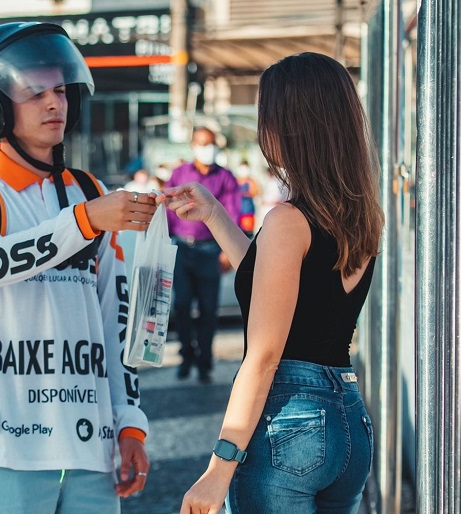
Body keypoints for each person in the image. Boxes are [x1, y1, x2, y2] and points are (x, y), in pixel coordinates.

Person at [0, 22, 155, 513]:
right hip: (4, 445)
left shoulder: (92, 192)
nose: (54, 102)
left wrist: (130, 422)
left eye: (60, 88)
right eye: (34, 91)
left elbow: (114, 318)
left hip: (91, 446)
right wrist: (84, 221)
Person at [161, 52, 384, 513]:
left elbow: (263, 356)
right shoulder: (361, 213)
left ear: (290, 126)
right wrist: (214, 214)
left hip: (291, 420)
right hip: (347, 421)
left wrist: (219, 467)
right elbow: (276, 287)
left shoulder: (288, 220)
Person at [166, 127, 241, 384]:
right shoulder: (180, 174)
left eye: (210, 144)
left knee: (209, 310)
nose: (207, 149)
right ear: (193, 145)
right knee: (182, 305)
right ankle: (187, 355)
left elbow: (233, 214)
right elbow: (166, 208)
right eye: (202, 143)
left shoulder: (225, 178)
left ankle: (205, 362)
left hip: (210, 249)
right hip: (182, 249)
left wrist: (227, 251)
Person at [235, 159, 260, 237]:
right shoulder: (235, 180)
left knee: (248, 234)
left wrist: (246, 193)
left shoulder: (251, 181)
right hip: (237, 212)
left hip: (248, 211)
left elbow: (256, 192)